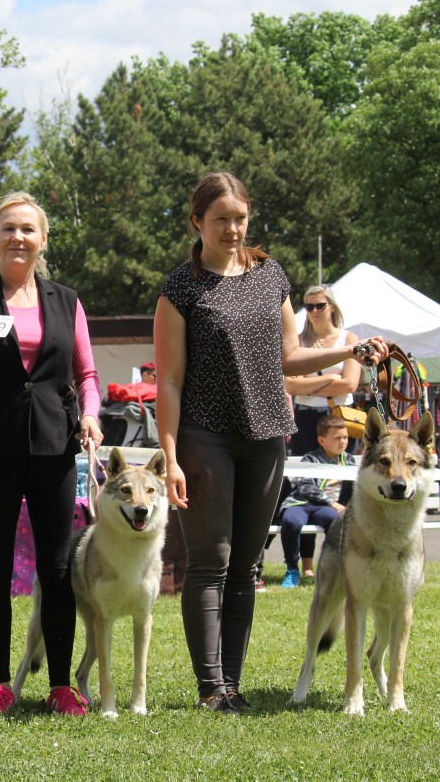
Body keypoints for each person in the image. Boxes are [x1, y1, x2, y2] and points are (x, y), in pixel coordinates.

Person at [153, 171, 388, 714]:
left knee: (245, 567)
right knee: (210, 561)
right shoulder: (180, 288)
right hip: (203, 435)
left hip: (265, 436)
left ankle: (230, 684)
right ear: (197, 222)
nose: (232, 229)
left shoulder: (270, 276)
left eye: (239, 219)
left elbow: (288, 356)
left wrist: (347, 352)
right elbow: (167, 380)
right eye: (220, 220)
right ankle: (211, 688)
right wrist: (169, 455)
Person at [0, 191, 104, 717]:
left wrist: (92, 414)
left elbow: (87, 374)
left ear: (43, 239)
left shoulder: (66, 301)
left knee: (57, 567)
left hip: (55, 448)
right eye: (8, 228)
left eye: (28, 229)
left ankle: (60, 685)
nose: (18, 238)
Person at [283, 285, 363, 456]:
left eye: (320, 305)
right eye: (309, 307)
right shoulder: (298, 342)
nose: (314, 311)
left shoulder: (348, 339)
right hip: (306, 416)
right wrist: (332, 378)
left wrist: (307, 386)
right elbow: (291, 386)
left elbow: (349, 384)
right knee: (305, 473)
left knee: (342, 473)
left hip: (340, 415)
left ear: (332, 307)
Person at [276, 415, 355, 588]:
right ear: (322, 440)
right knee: (291, 521)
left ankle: (333, 569)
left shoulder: (348, 460)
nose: (343, 442)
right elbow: (305, 487)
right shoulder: (310, 459)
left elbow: (353, 488)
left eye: (345, 437)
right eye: (337, 438)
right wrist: (331, 503)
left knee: (335, 521)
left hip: (325, 509)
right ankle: (291, 568)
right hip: (301, 504)